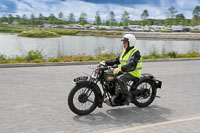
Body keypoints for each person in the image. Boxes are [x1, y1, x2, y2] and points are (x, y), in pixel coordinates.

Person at [101, 34, 142, 105]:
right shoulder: (124, 51)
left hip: (133, 72)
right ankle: (115, 93)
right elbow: (116, 60)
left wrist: (120, 68)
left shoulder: (135, 52)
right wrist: (106, 62)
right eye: (123, 42)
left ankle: (127, 96)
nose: (123, 43)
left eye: (125, 42)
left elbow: (132, 65)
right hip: (125, 70)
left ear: (130, 42)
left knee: (120, 79)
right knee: (110, 75)